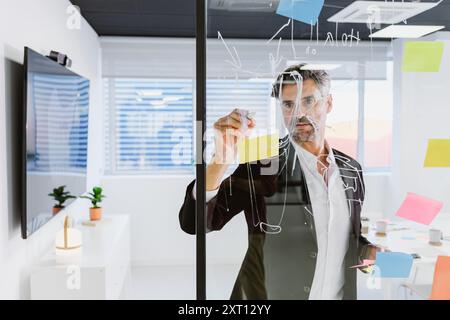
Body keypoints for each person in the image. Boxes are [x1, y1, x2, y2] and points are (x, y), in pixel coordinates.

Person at [179, 64, 382, 300]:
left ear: (328, 103)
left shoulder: (351, 170)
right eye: (288, 104)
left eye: (308, 101)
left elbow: (343, 239)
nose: (298, 113)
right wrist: (220, 160)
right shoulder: (263, 167)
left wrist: (367, 251)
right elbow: (196, 223)